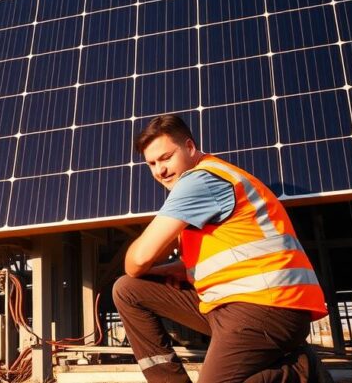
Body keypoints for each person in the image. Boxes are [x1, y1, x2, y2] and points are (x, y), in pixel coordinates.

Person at [112, 114, 330, 383]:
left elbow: (137, 259)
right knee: (128, 289)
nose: (160, 171)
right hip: (230, 304)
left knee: (131, 275)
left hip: (269, 305)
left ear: (190, 148)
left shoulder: (200, 181)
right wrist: (174, 272)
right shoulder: (210, 181)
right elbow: (227, 256)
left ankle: (300, 372)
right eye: (152, 164)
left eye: (166, 158)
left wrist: (147, 265)